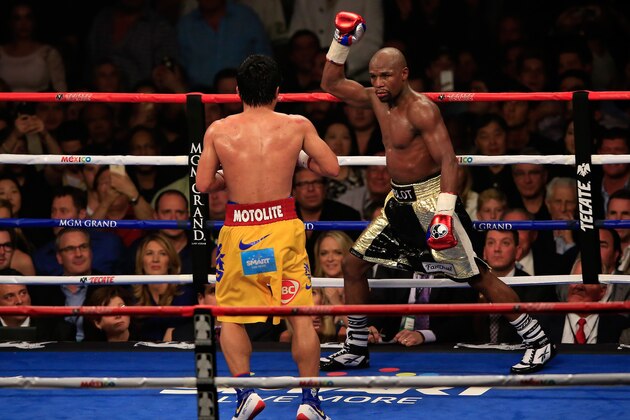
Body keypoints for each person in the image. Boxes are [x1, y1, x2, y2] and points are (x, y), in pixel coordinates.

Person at [319, 11, 556, 374]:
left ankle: (538, 341)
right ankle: (355, 346)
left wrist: (444, 213)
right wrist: (342, 41)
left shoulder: (422, 110)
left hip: (431, 199)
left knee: (476, 274)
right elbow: (330, 83)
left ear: (404, 74)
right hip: (397, 201)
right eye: (373, 76)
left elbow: (449, 159)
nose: (378, 82)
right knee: (354, 264)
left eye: (385, 75)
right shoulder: (374, 100)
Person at [196, 54, 339, 420]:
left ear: (238, 91)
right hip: (282, 229)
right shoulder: (296, 125)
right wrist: (297, 159)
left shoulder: (219, 130)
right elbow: (332, 167)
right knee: (301, 318)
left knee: (231, 317)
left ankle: (245, 393)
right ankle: (310, 401)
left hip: (239, 230)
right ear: (279, 92)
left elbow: (202, 184)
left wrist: (231, 175)